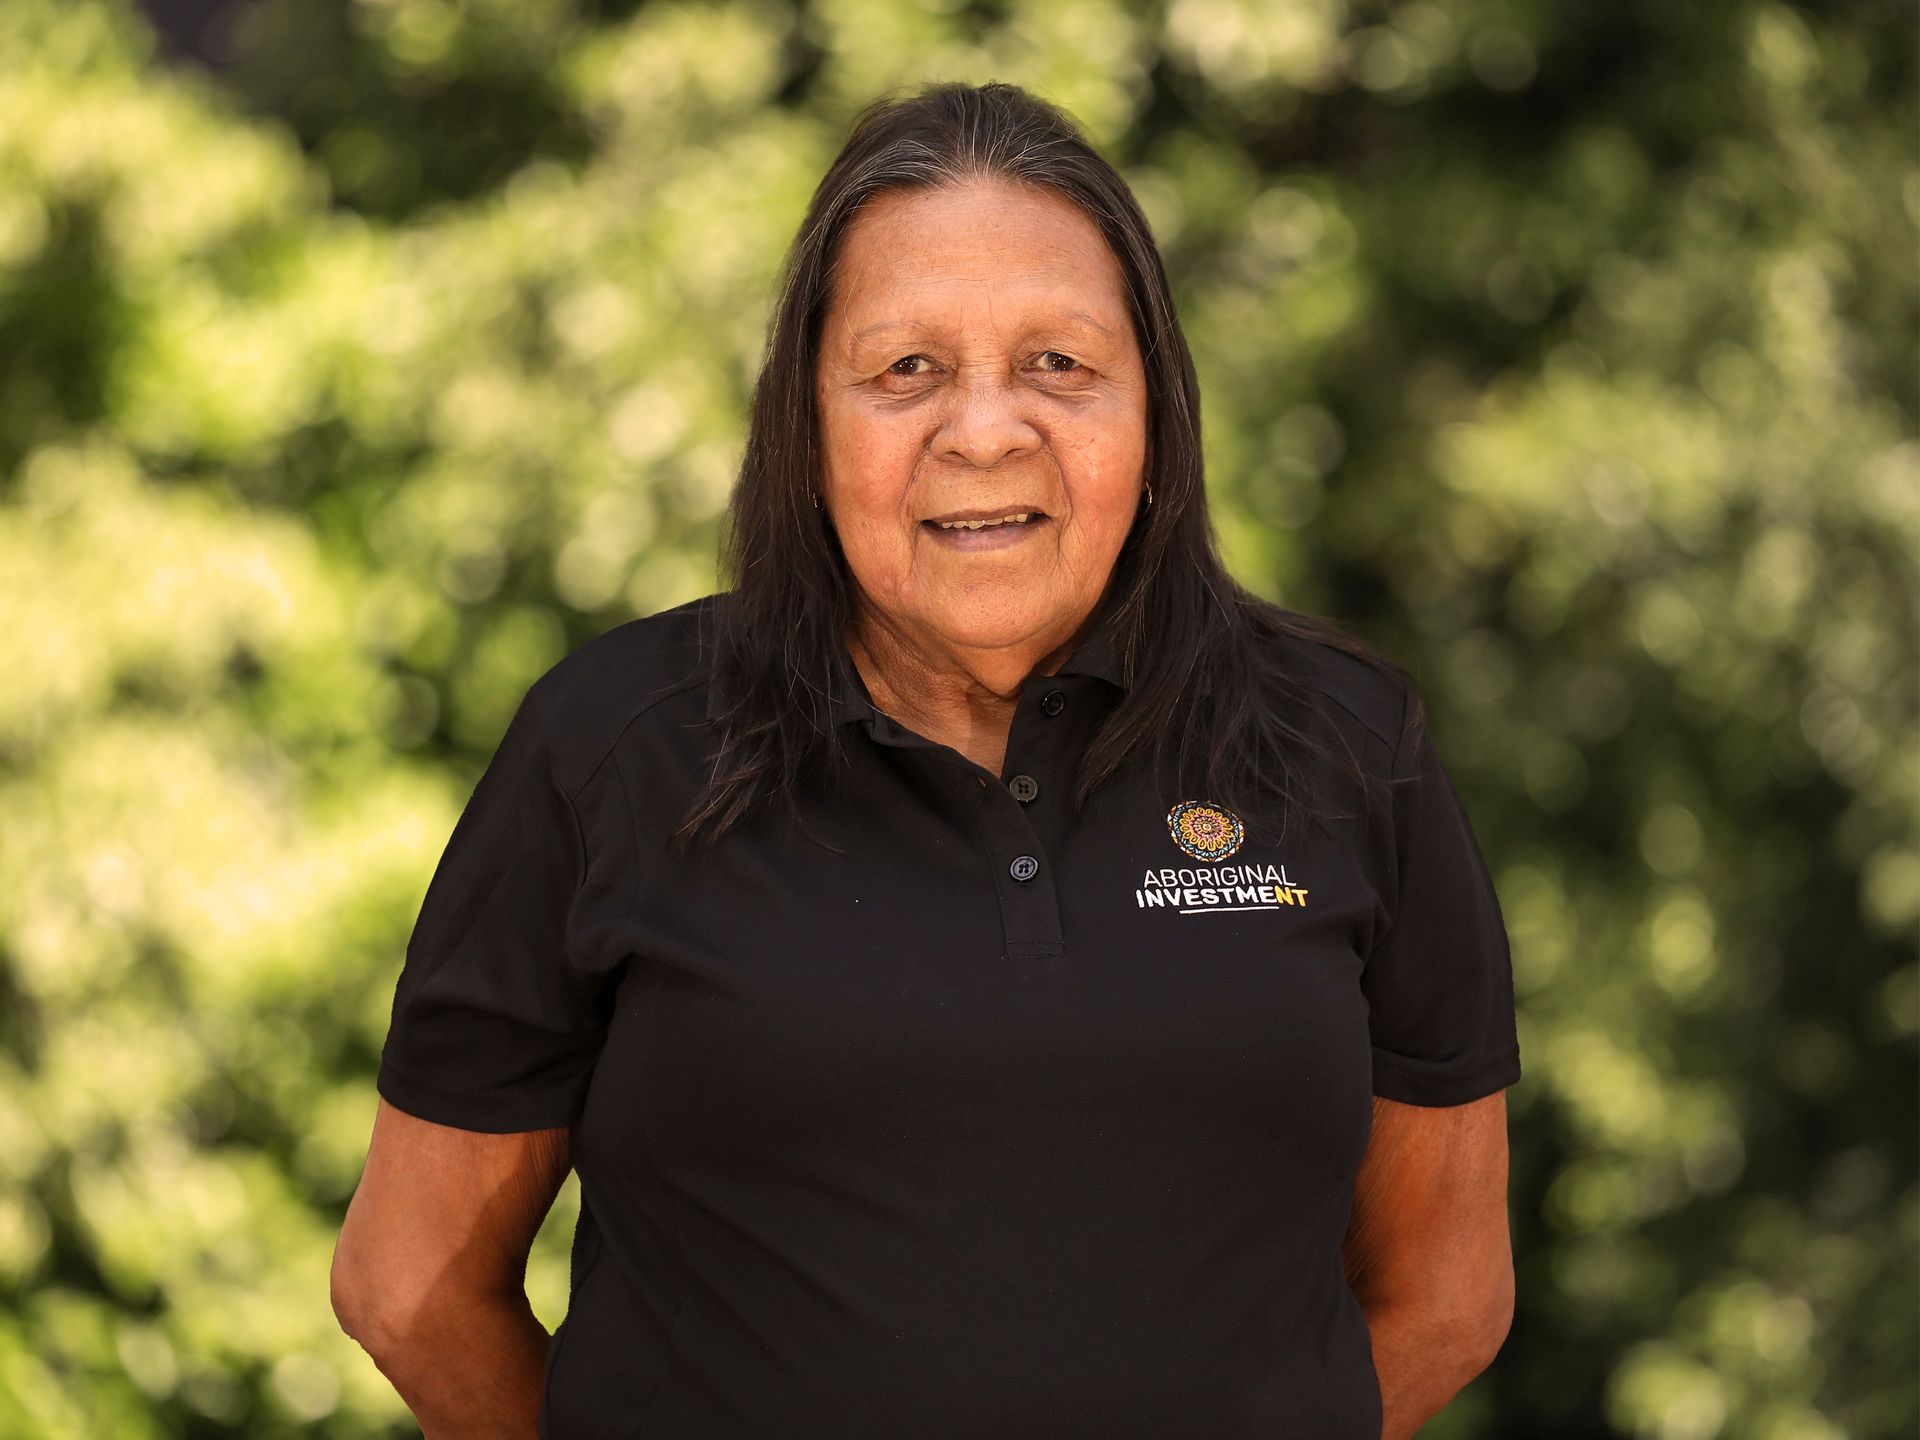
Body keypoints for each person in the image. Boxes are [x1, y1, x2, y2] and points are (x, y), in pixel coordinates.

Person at [330, 81, 1522, 1440]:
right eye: (907, 370)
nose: (984, 431)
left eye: (1059, 365)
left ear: (1155, 406)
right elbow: (409, 1287)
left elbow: (1448, 1294)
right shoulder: (611, 749)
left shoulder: (1351, 749)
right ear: (809, 419)